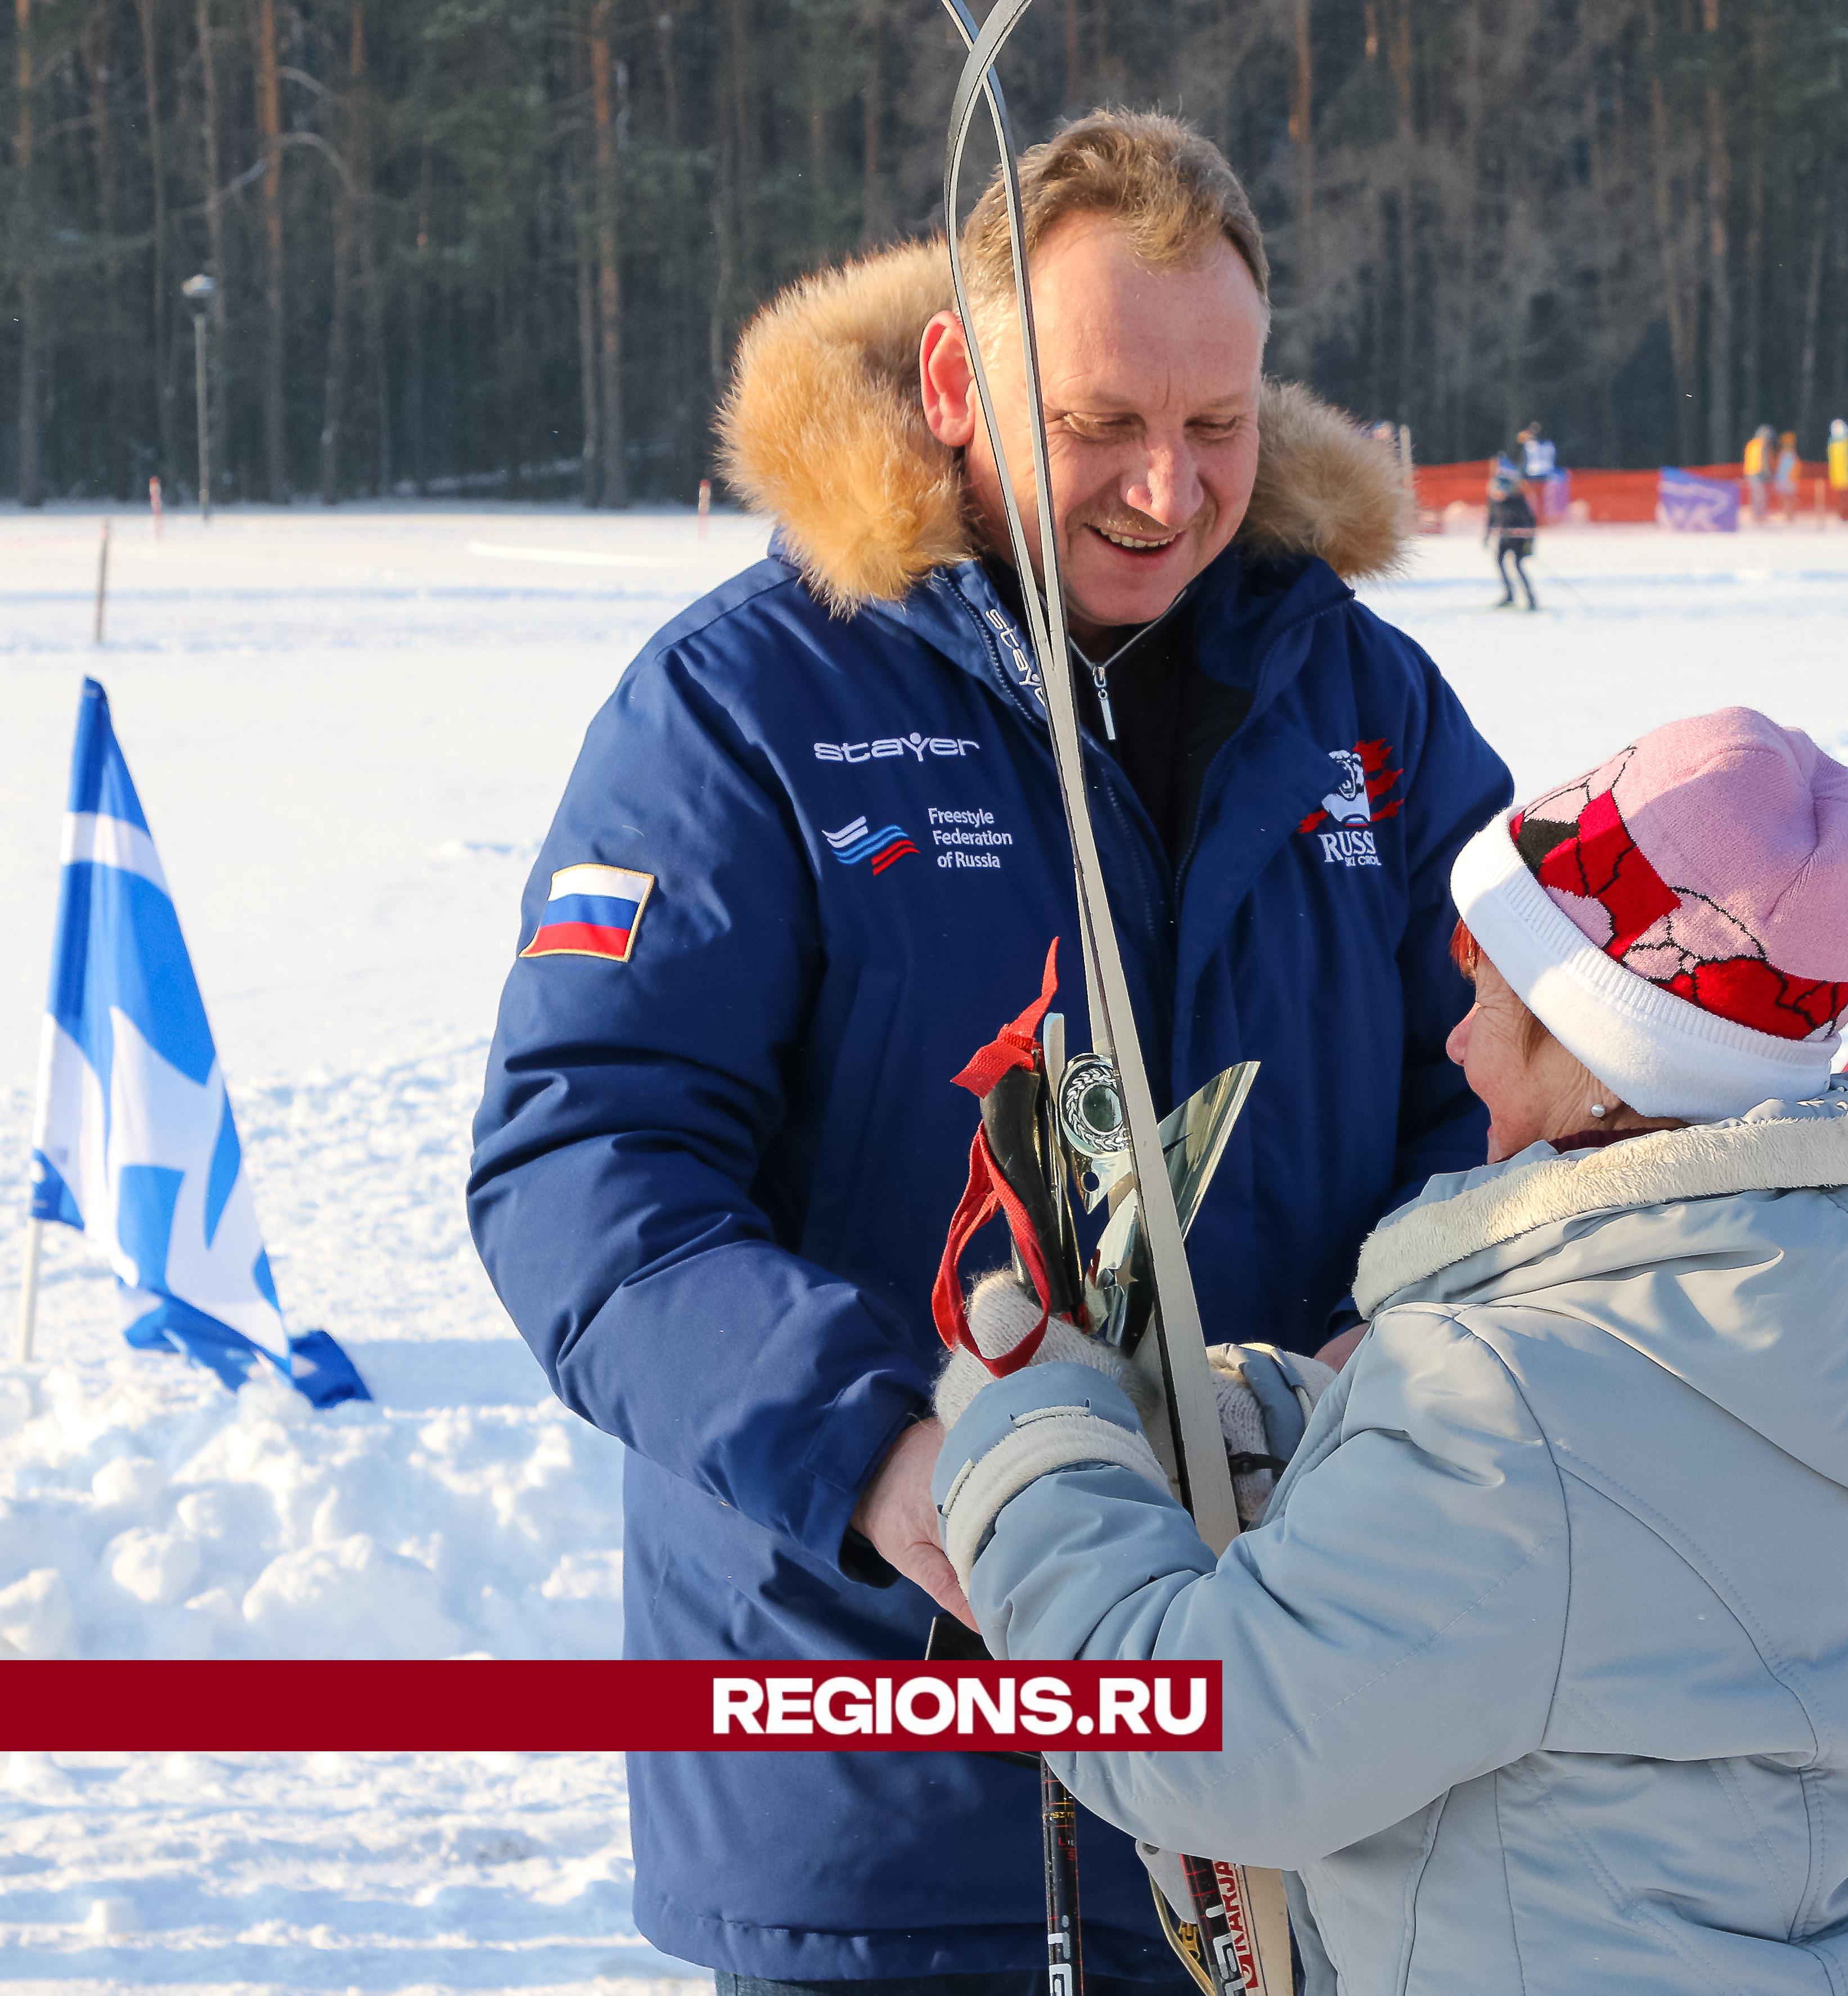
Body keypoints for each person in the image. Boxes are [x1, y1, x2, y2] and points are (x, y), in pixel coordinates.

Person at [467, 110, 1512, 1991]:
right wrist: (882, 1452)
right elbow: (587, 1170)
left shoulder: (1366, 701)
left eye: (1215, 426)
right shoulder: (751, 699)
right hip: (882, 1774)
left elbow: (1512, 1097)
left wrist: (1404, 1336)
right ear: (955, 378)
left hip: (1302, 1746)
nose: (1166, 492)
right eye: (1103, 423)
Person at [930, 707, 1848, 1996]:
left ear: (1608, 1058)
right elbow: (1635, 1557)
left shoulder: (1516, 1401)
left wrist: (1032, 1434)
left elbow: (1209, 1743)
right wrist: (1312, 1434)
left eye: (1488, 985)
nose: (1456, 1037)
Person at [1485, 454, 1538, 610]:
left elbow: (1530, 522)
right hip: (1504, 537)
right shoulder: (1494, 501)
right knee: (1500, 562)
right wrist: (1487, 535)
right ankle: (1509, 596)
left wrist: (1529, 541)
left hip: (1519, 539)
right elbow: (1492, 518)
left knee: (1517, 565)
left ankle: (1531, 599)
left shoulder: (1517, 500)